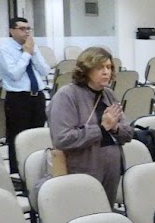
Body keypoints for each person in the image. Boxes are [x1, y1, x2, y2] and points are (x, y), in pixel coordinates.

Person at [46, 46, 133, 204]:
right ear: (86, 70)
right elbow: (63, 139)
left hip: (111, 170)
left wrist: (115, 127)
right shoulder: (67, 96)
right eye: (100, 68)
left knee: (106, 216)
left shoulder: (109, 94)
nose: (106, 72)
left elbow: (127, 133)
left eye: (109, 67)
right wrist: (101, 128)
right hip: (82, 170)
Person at [0, 16, 50, 175]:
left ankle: (37, 172)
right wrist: (26, 54)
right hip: (18, 98)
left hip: (37, 95)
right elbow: (14, 74)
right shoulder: (5, 49)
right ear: (12, 31)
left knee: (37, 136)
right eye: (22, 29)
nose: (26, 32)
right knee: (17, 137)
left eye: (28, 29)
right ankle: (18, 174)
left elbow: (44, 70)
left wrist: (33, 53)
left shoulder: (32, 47)